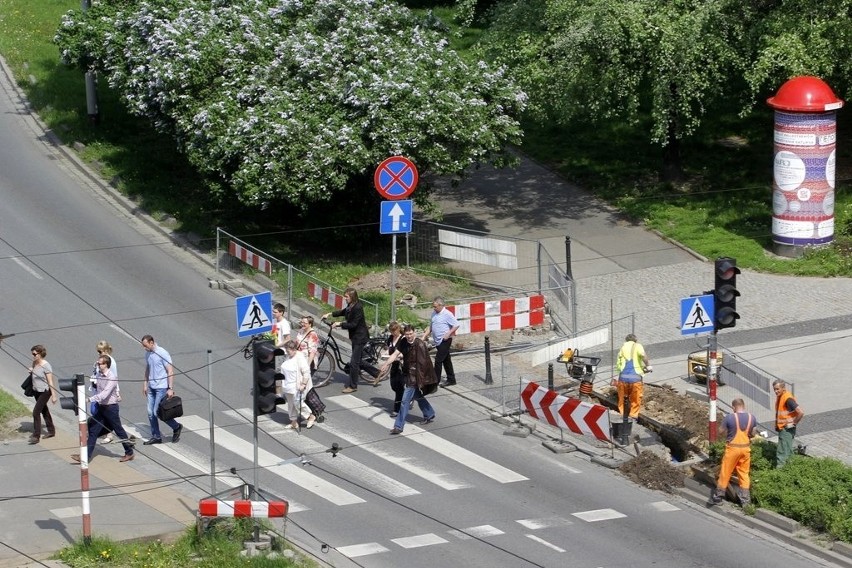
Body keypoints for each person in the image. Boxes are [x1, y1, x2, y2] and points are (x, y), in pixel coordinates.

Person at [72, 356, 135, 464]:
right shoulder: (99, 375)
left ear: (106, 365)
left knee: (119, 430)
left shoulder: (112, 377)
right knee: (93, 431)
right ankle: (85, 457)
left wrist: (88, 399)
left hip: (111, 408)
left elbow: (104, 394)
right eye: (98, 363)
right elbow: (97, 389)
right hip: (102, 408)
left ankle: (129, 452)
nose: (98, 365)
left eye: (100, 364)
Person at [323, 287, 378, 393]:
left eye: (346, 297)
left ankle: (353, 386)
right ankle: (377, 373)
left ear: (352, 297)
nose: (345, 298)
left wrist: (340, 324)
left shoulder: (358, 307)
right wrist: (330, 314)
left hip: (360, 337)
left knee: (354, 362)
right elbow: (344, 312)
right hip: (354, 337)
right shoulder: (351, 305)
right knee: (357, 360)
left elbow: (353, 324)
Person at [708, 398, 758, 507]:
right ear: (743, 406)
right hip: (745, 449)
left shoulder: (730, 417)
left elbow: (720, 431)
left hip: (733, 449)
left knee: (725, 472)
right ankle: (746, 502)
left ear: (733, 407)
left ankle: (718, 497)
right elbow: (753, 433)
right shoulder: (751, 417)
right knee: (744, 474)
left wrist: (728, 429)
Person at [390, 325, 437, 434]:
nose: (409, 336)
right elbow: (396, 353)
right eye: (407, 334)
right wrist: (386, 364)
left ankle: (398, 426)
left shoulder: (419, 344)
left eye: (411, 334)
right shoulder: (404, 342)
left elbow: (423, 364)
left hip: (415, 377)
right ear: (405, 334)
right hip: (408, 375)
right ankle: (429, 413)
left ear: (414, 333)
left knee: (404, 401)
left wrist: (420, 380)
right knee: (417, 396)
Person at [141, 335, 182, 445]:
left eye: (145, 345)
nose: (144, 348)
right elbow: (148, 368)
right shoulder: (148, 354)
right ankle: (156, 436)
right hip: (151, 387)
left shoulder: (162, 353)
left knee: (157, 412)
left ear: (151, 342)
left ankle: (176, 427)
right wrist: (145, 384)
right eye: (143, 346)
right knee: (150, 413)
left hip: (161, 387)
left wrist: (170, 388)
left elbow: (170, 370)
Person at [280, 340, 317, 429]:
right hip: (287, 385)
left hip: (296, 385)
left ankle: (310, 416)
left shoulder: (299, 357)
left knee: (297, 403)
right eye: (287, 351)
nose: (287, 353)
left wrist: (303, 384)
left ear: (294, 349)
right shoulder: (289, 356)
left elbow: (306, 372)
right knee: (291, 404)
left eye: (288, 351)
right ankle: (293, 422)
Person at [424, 297, 460, 388]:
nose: (434, 308)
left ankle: (435, 382)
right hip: (437, 341)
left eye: (435, 306)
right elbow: (431, 327)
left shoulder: (447, 314)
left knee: (438, 361)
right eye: (433, 306)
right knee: (446, 361)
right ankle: (451, 379)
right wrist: (424, 336)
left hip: (445, 340)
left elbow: (456, 324)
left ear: (440, 305)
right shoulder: (434, 314)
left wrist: (448, 333)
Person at [376, 321, 409, 417]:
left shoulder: (403, 339)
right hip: (393, 363)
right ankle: (407, 398)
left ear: (398, 329)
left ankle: (397, 409)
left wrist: (400, 356)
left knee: (399, 387)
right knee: (393, 385)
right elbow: (389, 349)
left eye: (394, 331)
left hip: (401, 365)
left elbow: (404, 352)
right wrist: (385, 354)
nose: (393, 333)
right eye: (391, 331)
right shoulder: (390, 338)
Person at [615, 334, 651, 419]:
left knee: (622, 400)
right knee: (635, 399)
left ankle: (622, 416)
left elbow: (618, 364)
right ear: (635, 340)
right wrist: (648, 365)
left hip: (622, 379)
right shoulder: (637, 346)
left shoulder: (622, 348)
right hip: (635, 379)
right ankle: (633, 416)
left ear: (626, 340)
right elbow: (643, 355)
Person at [90, 340, 119, 444]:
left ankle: (109, 433)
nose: (98, 353)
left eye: (100, 351)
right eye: (98, 351)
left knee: (101, 413)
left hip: (105, 393)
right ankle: (104, 431)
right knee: (94, 411)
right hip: (97, 390)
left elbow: (114, 378)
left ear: (106, 350)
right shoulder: (100, 360)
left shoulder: (111, 361)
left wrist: (118, 393)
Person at [28, 345, 56, 444]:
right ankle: (51, 431)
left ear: (40, 354)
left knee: (36, 412)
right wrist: (31, 370)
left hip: (45, 391)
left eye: (34, 354)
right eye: (32, 354)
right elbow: (34, 371)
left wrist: (54, 395)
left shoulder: (46, 365)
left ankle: (36, 436)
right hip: (36, 391)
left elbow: (50, 381)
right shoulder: (35, 362)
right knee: (44, 410)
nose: (33, 356)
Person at [773, 379, 804, 468]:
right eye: (774, 389)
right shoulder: (782, 396)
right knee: (788, 451)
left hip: (786, 429)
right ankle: (790, 469)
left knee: (782, 452)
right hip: (785, 428)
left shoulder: (787, 399)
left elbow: (800, 412)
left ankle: (780, 473)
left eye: (777, 389)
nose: (776, 391)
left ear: (783, 388)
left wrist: (794, 422)